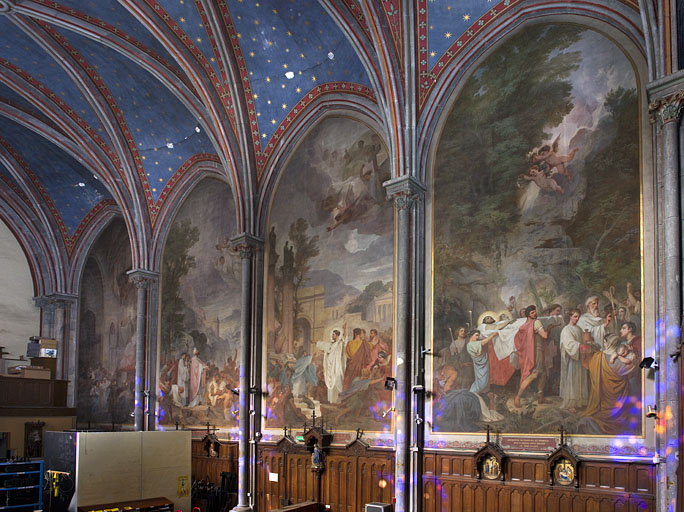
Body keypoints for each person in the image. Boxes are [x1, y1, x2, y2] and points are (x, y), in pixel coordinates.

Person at [513, 305, 556, 407]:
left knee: (543, 373)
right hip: (537, 351)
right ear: (528, 314)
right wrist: (549, 329)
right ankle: (518, 397)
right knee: (535, 374)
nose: (535, 314)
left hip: (530, 352)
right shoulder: (536, 322)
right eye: (532, 312)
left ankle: (541, 398)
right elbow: (545, 336)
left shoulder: (524, 325)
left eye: (535, 312)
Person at [559, 309, 589, 412]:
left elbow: (582, 341)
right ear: (570, 317)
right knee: (572, 380)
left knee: (581, 379)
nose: (577, 319)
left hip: (580, 357)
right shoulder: (566, 330)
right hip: (573, 358)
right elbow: (569, 344)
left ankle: (580, 402)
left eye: (578, 317)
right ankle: (571, 403)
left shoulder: (579, 329)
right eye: (575, 316)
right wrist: (580, 346)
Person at [319, 327, 347, 403]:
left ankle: (338, 401)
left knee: (337, 382)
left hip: (337, 366)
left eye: (333, 335)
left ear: (337, 335)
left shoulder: (339, 344)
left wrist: (344, 330)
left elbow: (343, 340)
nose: (332, 336)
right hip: (330, 367)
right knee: (331, 385)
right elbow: (324, 347)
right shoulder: (331, 344)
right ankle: (332, 401)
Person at [466, 329, 497, 394]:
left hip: (484, 363)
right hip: (479, 365)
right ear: (471, 336)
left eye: (478, 336)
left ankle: (474, 394)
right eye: (476, 335)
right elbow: (482, 343)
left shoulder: (474, 343)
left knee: (484, 382)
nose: (477, 337)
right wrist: (493, 335)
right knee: (482, 383)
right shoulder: (470, 345)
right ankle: (472, 394)